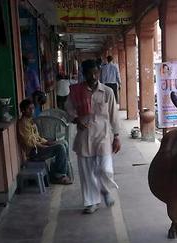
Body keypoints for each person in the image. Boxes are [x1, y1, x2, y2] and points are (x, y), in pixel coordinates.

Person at [66, 59, 121, 214]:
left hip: (103, 136)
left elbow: (114, 115)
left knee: (105, 169)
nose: (93, 75)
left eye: (96, 72)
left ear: (99, 72)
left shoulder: (107, 92)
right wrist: (76, 119)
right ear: (84, 74)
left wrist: (116, 136)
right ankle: (91, 202)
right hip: (84, 136)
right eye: (90, 73)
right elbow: (69, 109)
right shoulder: (76, 92)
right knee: (87, 171)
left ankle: (105, 189)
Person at [17, 99, 72, 185]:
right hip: (34, 152)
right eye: (29, 109)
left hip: (39, 147)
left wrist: (47, 142)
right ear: (23, 110)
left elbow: (38, 137)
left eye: (33, 108)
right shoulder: (23, 124)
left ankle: (61, 170)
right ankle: (59, 176)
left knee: (64, 142)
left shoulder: (31, 121)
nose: (32, 111)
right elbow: (29, 143)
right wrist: (43, 146)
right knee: (60, 148)